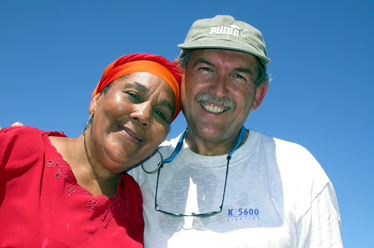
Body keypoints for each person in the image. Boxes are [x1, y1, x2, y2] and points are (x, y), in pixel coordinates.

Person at [128, 15, 343, 247]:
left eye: (239, 76)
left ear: (258, 95)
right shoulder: (140, 168)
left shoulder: (297, 170)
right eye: (206, 69)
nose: (219, 90)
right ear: (181, 76)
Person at [0, 53, 182, 247]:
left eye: (161, 113)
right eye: (133, 95)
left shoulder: (138, 203)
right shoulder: (16, 150)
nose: (143, 115)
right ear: (96, 99)